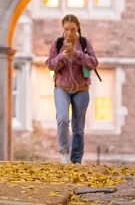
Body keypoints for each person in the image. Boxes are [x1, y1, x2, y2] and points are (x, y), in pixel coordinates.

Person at [45, 13, 98, 164]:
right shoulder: (57, 43)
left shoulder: (84, 43)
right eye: (67, 29)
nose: (69, 33)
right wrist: (62, 56)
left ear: (78, 29)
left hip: (81, 89)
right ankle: (64, 151)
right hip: (62, 88)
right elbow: (50, 64)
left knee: (78, 127)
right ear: (63, 28)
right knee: (62, 119)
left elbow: (94, 63)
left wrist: (77, 54)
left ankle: (76, 160)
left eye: (73, 29)